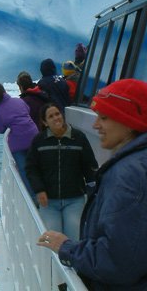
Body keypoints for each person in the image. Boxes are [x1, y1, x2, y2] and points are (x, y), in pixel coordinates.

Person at [37, 79, 147, 290]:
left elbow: (120, 263)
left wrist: (66, 247)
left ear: (128, 121)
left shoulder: (129, 176)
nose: (95, 125)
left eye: (104, 117)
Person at [25, 102, 98, 239]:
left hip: (75, 200)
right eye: (51, 116)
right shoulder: (39, 141)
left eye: (57, 114)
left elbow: (89, 165)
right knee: (53, 239)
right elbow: (31, 168)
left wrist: (92, 190)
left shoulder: (78, 137)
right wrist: (39, 189)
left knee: (74, 239)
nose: (56, 118)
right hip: (49, 202)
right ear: (45, 122)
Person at [0, 83, 39, 193]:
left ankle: (33, 197)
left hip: (18, 143)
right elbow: (28, 110)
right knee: (37, 165)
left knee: (24, 170)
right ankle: (45, 191)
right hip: (34, 136)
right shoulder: (18, 101)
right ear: (5, 91)